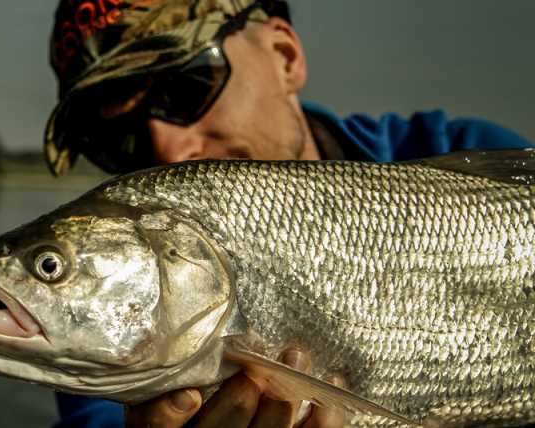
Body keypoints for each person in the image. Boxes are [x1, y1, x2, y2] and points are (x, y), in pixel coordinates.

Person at [42, 1, 533, 427]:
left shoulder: (477, 157)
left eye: (184, 91)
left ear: (285, 55)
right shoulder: (103, 337)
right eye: (116, 139)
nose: (169, 150)